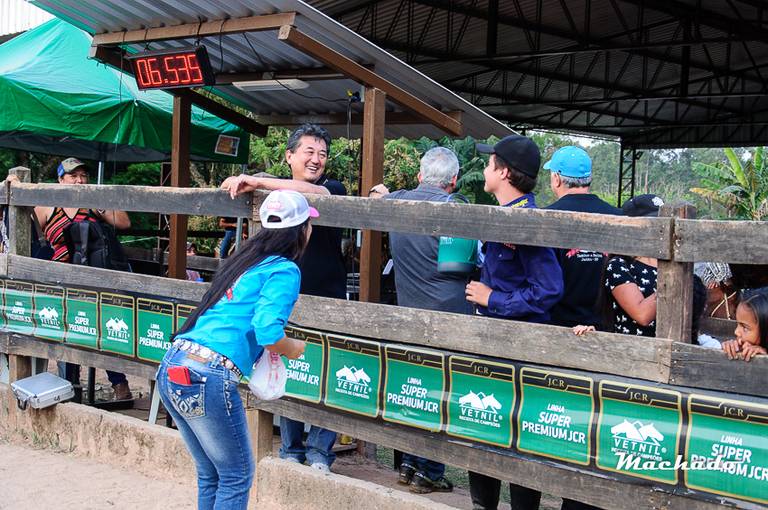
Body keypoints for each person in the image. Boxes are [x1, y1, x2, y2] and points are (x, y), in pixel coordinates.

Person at [158, 189, 311, 510]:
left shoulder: (246, 261)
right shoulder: (284, 269)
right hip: (208, 374)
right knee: (236, 475)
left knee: (212, 474)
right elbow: (268, 331)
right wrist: (292, 347)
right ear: (300, 230)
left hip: (175, 363)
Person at [222, 124, 345, 472]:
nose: (316, 159)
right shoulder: (273, 194)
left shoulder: (333, 187)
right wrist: (246, 184)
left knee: (325, 372)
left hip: (328, 293)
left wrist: (256, 180)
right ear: (289, 156)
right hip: (284, 294)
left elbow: (314, 192)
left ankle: (320, 452)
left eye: (322, 154)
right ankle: (291, 448)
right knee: (285, 364)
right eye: (309, 152)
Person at [466, 135, 563, 510]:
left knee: (521, 433)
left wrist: (493, 299)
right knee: (482, 425)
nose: (485, 169)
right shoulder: (502, 216)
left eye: (490, 163)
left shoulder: (528, 222)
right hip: (491, 343)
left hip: (521, 348)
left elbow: (548, 289)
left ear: (504, 172)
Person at [369, 147, 466, 494]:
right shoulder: (454, 209)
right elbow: (459, 267)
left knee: (413, 388)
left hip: (408, 311)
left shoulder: (399, 201)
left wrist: (381, 192)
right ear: (454, 180)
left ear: (421, 176)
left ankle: (409, 464)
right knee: (438, 394)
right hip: (446, 316)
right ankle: (430, 471)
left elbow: (379, 196)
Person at [21, 158, 133, 400]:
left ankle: (119, 383)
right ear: (60, 180)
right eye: (73, 176)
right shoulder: (48, 205)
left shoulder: (92, 203)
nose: (79, 181)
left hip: (93, 279)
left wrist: (98, 204)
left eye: (83, 176)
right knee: (68, 330)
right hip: (60, 279)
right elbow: (25, 229)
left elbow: (124, 222)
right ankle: (69, 386)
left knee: (101, 328)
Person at [545, 146, 622, 329]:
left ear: (556, 178)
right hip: (606, 325)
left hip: (558, 325)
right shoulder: (618, 216)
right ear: (589, 178)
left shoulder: (546, 217)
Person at [601, 194, 664, 337]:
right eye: (653, 223)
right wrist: (673, 283)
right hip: (635, 345)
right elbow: (642, 315)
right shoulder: (619, 265)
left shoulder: (667, 261)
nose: (661, 229)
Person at [721, 288, 768, 361]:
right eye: (737, 324)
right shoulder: (742, 345)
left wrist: (765, 356)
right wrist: (733, 349)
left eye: (745, 328)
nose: (736, 332)